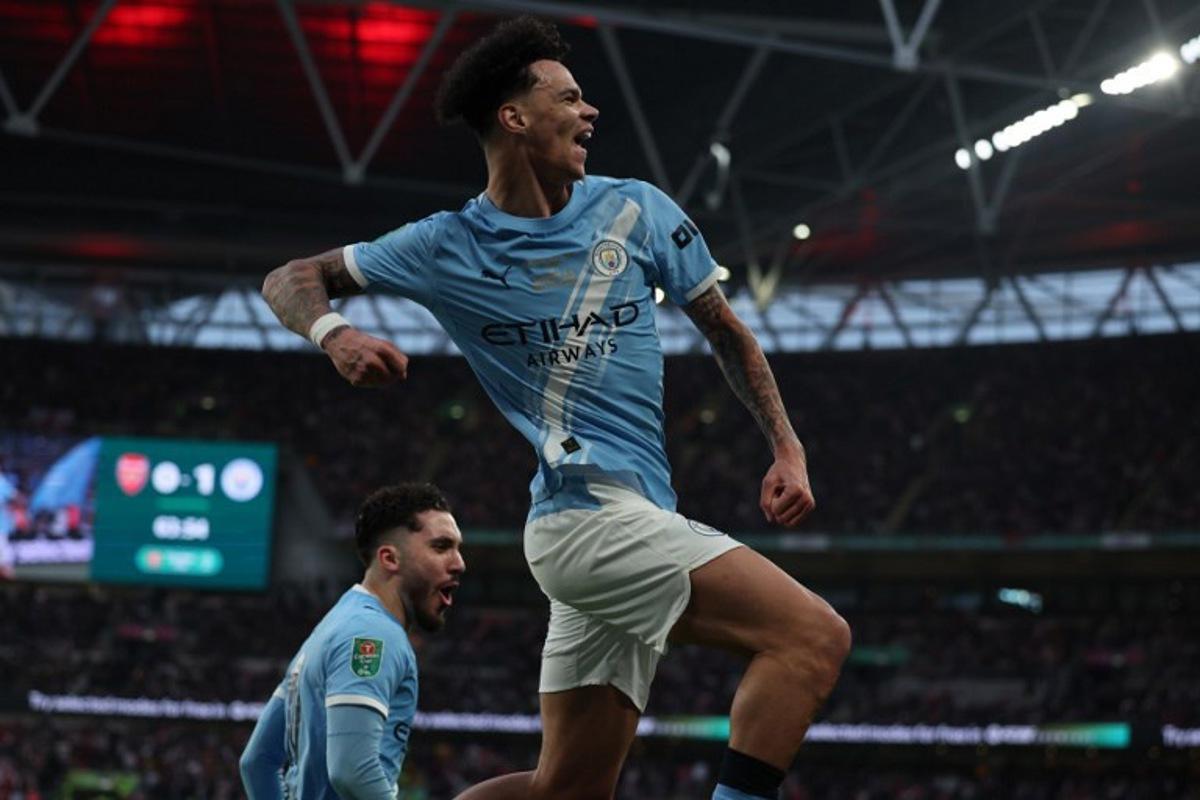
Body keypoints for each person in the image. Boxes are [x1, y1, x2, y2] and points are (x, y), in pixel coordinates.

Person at [261, 17, 850, 800]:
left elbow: (727, 333)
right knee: (812, 637)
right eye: (568, 97)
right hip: (589, 521)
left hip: (622, 521)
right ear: (514, 117)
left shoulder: (635, 211)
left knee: (564, 790)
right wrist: (334, 334)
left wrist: (788, 447)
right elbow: (290, 278)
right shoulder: (445, 244)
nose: (590, 112)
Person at [239, 483, 465, 799]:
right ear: (389, 558)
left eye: (457, 548)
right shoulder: (372, 634)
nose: (459, 563)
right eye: (441, 547)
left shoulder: (332, 627)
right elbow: (351, 770)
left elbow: (257, 762)